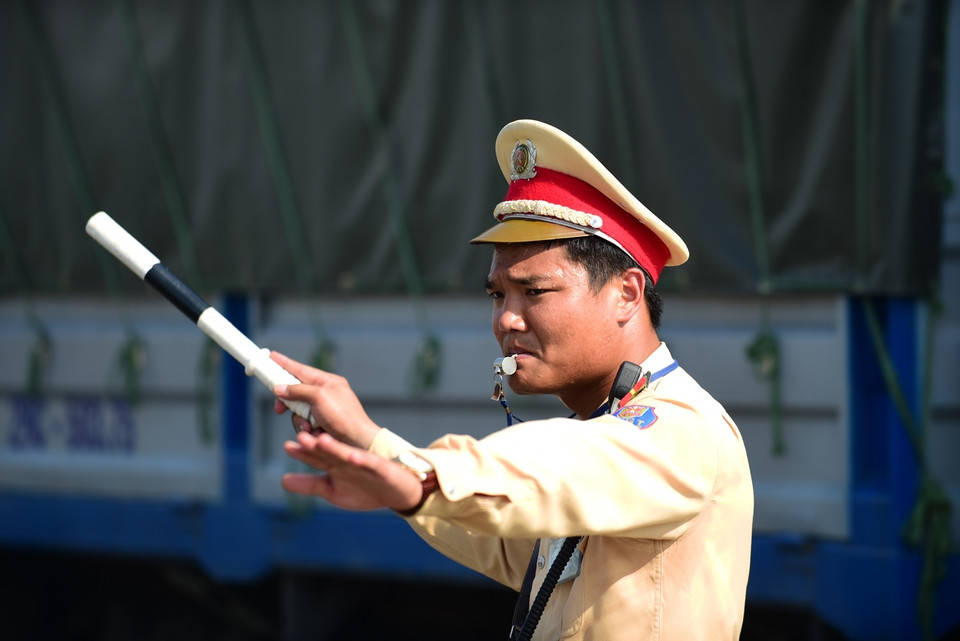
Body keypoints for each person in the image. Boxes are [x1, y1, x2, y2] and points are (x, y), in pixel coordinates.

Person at [271, 119, 754, 640]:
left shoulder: (680, 428)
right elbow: (511, 541)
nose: (506, 320)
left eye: (535, 292)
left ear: (627, 294)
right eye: (498, 295)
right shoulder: (607, 421)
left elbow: (562, 465)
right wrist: (377, 454)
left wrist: (417, 474)